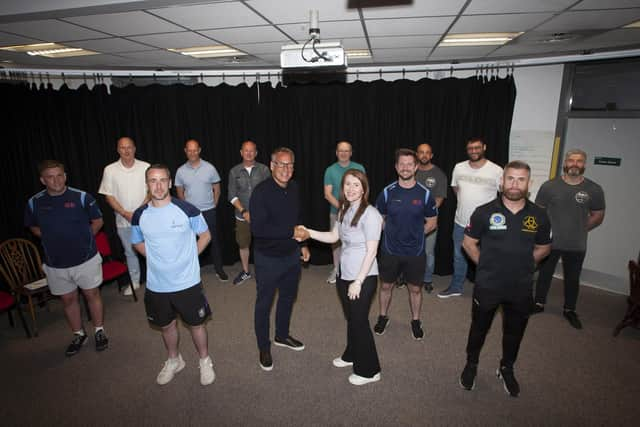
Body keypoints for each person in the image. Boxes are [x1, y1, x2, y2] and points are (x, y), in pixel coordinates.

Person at [459, 161, 551, 397]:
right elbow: (468, 243)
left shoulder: (539, 215)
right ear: (501, 181)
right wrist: (487, 266)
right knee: (479, 329)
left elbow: (544, 247)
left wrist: (526, 265)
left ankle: (506, 368)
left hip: (520, 287)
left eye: (521, 179)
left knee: (514, 331)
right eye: (510, 178)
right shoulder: (484, 211)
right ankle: (471, 364)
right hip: (488, 284)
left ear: (529, 184)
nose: (514, 184)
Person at [131, 164, 215, 386]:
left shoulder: (187, 209)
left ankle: (205, 360)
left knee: (196, 324)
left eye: (162, 180)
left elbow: (205, 236)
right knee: (166, 325)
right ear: (147, 184)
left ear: (169, 182)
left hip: (187, 282)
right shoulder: (140, 214)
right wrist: (155, 259)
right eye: (152, 181)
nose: (158, 185)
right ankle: (174, 360)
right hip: (157, 285)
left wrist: (190, 257)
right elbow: (136, 241)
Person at [297, 169, 383, 386]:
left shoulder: (371, 214)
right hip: (345, 273)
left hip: (362, 277)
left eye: (356, 184)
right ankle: (351, 354)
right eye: (347, 184)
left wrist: (359, 281)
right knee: (352, 318)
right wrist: (309, 232)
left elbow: (372, 251)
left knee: (359, 321)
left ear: (364, 188)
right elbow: (334, 236)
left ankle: (370, 370)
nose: (351, 189)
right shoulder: (345, 208)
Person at [25, 160, 108, 356]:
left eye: (60, 175)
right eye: (51, 177)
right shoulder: (34, 202)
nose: (56, 180)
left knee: (92, 295)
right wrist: (46, 236)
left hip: (86, 258)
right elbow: (32, 226)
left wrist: (86, 239)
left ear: (65, 175)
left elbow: (98, 220)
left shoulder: (82, 197)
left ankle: (99, 331)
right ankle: (79, 334)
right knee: (68, 299)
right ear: (42, 180)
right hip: (56, 263)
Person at [250, 147, 310, 371]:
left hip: (291, 256)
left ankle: (282, 336)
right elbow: (259, 228)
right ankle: (264, 347)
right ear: (272, 166)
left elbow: (298, 219)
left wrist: (302, 244)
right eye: (281, 164)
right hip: (267, 258)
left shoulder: (294, 188)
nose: (286, 169)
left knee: (287, 297)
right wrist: (291, 232)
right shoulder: (261, 192)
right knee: (264, 304)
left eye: (290, 165)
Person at [532, 149, 605, 329]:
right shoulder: (549, 186)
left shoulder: (594, 189)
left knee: (573, 279)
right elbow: (539, 213)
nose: (574, 164)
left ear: (584, 165)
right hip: (550, 242)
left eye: (579, 161)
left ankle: (569, 309)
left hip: (576, 244)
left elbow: (598, 215)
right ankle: (538, 303)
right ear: (565, 163)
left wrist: (580, 228)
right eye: (571, 160)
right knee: (544, 275)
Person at [373, 149, 438, 340]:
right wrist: (390, 232)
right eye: (402, 164)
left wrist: (417, 235)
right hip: (390, 250)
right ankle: (383, 316)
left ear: (416, 167)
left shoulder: (425, 194)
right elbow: (378, 218)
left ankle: (416, 320)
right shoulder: (387, 192)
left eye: (410, 164)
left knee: (415, 289)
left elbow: (432, 222)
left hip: (415, 251)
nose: (405, 168)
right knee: (386, 286)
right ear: (396, 167)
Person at [439, 137, 503, 299]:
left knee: (486, 258)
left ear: (484, 147)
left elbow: (502, 196)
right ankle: (456, 287)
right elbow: (456, 189)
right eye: (470, 148)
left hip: (486, 224)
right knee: (459, 256)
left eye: (477, 148)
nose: (474, 151)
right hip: (461, 222)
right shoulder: (459, 167)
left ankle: (485, 290)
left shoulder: (496, 170)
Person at [99, 136, 150, 296]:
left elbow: (152, 190)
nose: (126, 150)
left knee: (153, 249)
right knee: (130, 252)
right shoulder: (110, 170)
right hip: (123, 220)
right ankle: (135, 281)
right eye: (123, 147)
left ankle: (157, 278)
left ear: (134, 148)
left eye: (129, 147)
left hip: (147, 217)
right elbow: (108, 195)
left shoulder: (146, 167)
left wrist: (139, 210)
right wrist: (124, 213)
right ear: (118, 150)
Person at [175, 139, 228, 282]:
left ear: (199, 150)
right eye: (189, 150)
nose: (192, 153)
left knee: (214, 241)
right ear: (185, 151)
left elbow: (217, 188)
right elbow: (179, 192)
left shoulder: (210, 168)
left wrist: (214, 204)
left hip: (209, 211)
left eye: (195, 150)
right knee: (191, 243)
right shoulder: (180, 171)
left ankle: (219, 269)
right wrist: (186, 210)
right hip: (191, 214)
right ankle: (192, 271)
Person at [227, 140, 271, 285]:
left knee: (263, 245)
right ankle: (246, 272)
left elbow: (268, 192)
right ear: (241, 152)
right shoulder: (234, 171)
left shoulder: (264, 170)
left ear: (256, 153)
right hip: (241, 216)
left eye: (252, 150)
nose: (249, 153)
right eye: (246, 150)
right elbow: (232, 196)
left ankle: (264, 272)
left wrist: (260, 212)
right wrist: (244, 212)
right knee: (243, 244)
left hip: (262, 217)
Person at [323, 141, 366, 284]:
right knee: (335, 242)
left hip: (357, 213)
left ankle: (356, 271)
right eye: (341, 150)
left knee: (355, 242)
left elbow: (364, 190)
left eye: (346, 150)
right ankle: (336, 269)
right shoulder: (330, 170)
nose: (343, 153)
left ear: (351, 153)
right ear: (336, 153)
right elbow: (327, 194)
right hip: (336, 213)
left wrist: (356, 209)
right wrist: (343, 208)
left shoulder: (359, 168)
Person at [415, 143, 448, 293]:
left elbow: (439, 199)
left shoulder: (439, 174)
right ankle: (404, 276)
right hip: (409, 218)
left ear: (431, 155)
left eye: (427, 152)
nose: (424, 155)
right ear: (417, 154)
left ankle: (427, 279)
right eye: (421, 152)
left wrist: (425, 213)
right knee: (407, 249)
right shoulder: (410, 171)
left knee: (428, 251)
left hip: (429, 218)